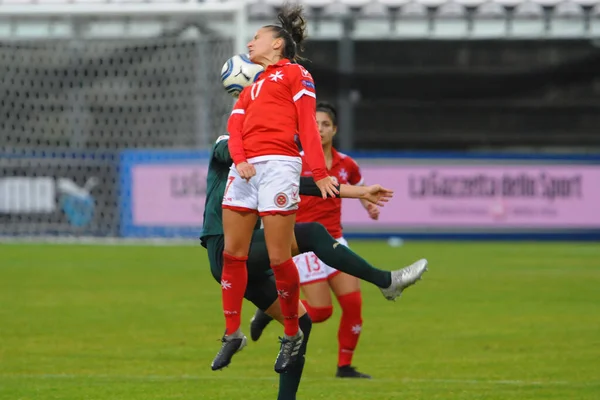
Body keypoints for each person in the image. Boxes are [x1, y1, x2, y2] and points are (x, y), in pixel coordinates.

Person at [202, 133, 428, 399]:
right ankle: (385, 281)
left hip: (250, 262)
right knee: (312, 234)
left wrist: (360, 192)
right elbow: (230, 153)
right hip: (226, 251)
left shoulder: (268, 163)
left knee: (302, 322)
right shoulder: (227, 143)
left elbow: (303, 185)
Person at [216, 3, 339, 374]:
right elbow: (234, 128)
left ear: (277, 45)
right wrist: (239, 159)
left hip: (280, 167)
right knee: (232, 254)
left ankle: (291, 333)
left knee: (277, 257)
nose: (250, 42)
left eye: (257, 37)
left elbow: (306, 121)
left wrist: (318, 172)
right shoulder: (250, 88)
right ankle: (231, 333)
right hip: (247, 169)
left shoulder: (295, 75)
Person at [250, 102, 385, 378]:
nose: (320, 129)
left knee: (353, 305)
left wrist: (367, 204)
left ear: (334, 129)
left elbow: (356, 187)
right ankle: (269, 310)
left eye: (325, 125)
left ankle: (344, 367)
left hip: (335, 241)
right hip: (307, 246)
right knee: (321, 312)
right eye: (315, 124)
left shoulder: (347, 164)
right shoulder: (296, 162)